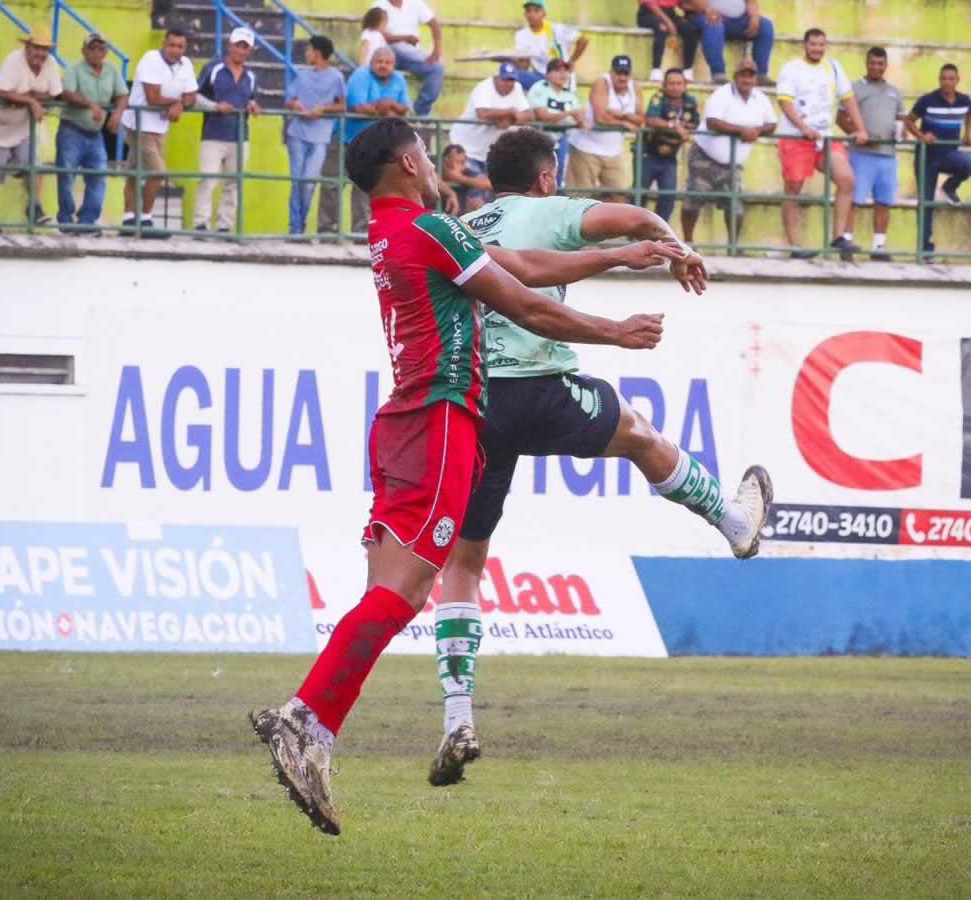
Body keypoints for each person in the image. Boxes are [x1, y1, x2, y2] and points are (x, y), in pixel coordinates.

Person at [248, 117, 682, 835]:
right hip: (444, 420)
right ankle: (303, 720)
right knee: (408, 589)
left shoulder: (392, 230)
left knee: (387, 593)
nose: (433, 159)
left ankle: (314, 728)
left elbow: (526, 268)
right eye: (422, 149)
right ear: (409, 163)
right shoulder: (434, 227)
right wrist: (616, 332)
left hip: (398, 420)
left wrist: (627, 253)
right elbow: (529, 303)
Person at [425, 127, 772, 787]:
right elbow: (637, 217)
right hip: (539, 390)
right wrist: (676, 250)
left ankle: (457, 718)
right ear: (547, 177)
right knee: (639, 434)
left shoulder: (466, 225)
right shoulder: (550, 212)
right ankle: (734, 523)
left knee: (463, 563)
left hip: (473, 405)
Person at [775, 28, 867, 259]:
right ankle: (795, 246)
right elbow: (785, 103)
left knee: (846, 180)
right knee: (793, 190)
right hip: (797, 138)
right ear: (805, 45)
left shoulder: (833, 67)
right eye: (813, 44)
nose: (817, 48)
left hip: (825, 137)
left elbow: (849, 99)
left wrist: (860, 128)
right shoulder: (791, 68)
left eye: (821, 44)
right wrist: (803, 128)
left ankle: (838, 237)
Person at [0, 24, 62, 232]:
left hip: (20, 123)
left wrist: (24, 98)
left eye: (45, 49)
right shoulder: (14, 59)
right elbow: (2, 91)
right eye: (36, 47)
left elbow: (55, 94)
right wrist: (31, 102)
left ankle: (35, 208)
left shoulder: (51, 64)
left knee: (33, 164)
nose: (40, 53)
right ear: (27, 47)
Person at [318, 45, 410, 236]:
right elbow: (358, 107)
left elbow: (404, 109)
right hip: (346, 140)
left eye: (388, 63)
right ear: (371, 62)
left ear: (394, 65)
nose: (383, 66)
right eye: (379, 62)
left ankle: (360, 233)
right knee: (332, 184)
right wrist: (385, 109)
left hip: (372, 147)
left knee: (364, 189)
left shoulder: (399, 79)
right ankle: (326, 230)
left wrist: (390, 105)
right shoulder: (360, 76)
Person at [684, 57, 775, 245]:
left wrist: (756, 131)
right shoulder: (722, 94)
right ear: (735, 77)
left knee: (735, 208)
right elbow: (712, 122)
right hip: (705, 157)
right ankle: (687, 242)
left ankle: (733, 246)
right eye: (743, 75)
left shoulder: (761, 99)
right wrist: (742, 130)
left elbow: (772, 124)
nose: (747, 80)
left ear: (756, 79)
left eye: (751, 76)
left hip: (733, 163)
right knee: (693, 200)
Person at [120, 29, 198, 236]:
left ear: (185, 48)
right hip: (139, 124)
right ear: (164, 44)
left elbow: (192, 96)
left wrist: (181, 103)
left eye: (180, 46)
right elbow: (152, 97)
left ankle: (128, 221)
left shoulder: (186, 65)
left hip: (161, 127)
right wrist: (176, 102)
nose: (175, 50)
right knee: (158, 173)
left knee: (133, 171)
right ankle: (145, 220)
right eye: (171, 45)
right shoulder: (151, 59)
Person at [56, 32, 128, 235]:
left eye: (102, 48)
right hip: (71, 129)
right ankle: (66, 220)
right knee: (66, 176)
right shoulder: (74, 69)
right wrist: (90, 104)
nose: (98, 52)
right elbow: (67, 93)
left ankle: (87, 221)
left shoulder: (112, 71)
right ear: (84, 51)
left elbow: (122, 95)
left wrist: (118, 113)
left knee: (98, 176)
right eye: (93, 48)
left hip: (95, 134)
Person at [193, 28, 261, 234]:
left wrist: (253, 105)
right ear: (229, 45)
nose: (241, 50)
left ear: (250, 51)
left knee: (233, 183)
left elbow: (251, 98)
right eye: (238, 45)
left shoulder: (251, 76)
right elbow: (193, 97)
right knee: (208, 179)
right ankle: (201, 224)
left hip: (240, 136)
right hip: (213, 133)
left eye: (245, 47)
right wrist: (215, 106)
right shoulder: (213, 69)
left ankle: (225, 226)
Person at [904, 63, 971, 257]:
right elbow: (909, 121)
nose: (947, 82)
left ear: (957, 80)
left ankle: (949, 187)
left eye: (951, 79)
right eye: (943, 78)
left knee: (969, 163)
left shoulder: (964, 101)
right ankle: (925, 250)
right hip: (926, 157)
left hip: (948, 154)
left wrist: (968, 134)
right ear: (939, 80)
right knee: (926, 204)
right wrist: (921, 136)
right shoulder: (927, 100)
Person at [844, 47, 905, 262]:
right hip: (861, 153)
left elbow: (901, 120)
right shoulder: (854, 88)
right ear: (866, 63)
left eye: (880, 64)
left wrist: (901, 132)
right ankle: (847, 242)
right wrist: (856, 133)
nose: (876, 67)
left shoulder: (894, 91)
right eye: (873, 63)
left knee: (884, 201)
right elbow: (841, 117)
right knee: (854, 200)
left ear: (886, 66)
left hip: (887, 154)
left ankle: (879, 246)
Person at [285, 36, 345, 238]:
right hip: (298, 134)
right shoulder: (301, 75)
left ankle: (300, 223)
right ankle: (295, 229)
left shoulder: (336, 77)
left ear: (317, 53)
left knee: (309, 183)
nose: (306, 53)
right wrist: (297, 106)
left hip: (320, 136)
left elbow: (342, 105)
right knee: (297, 181)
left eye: (309, 50)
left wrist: (323, 109)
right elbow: (289, 99)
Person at [448, 62, 533, 206]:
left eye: (511, 80)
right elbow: (482, 113)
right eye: (505, 79)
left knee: (487, 191)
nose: (508, 84)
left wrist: (509, 120)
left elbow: (529, 115)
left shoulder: (516, 89)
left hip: (488, 152)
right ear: (496, 78)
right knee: (478, 189)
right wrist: (511, 112)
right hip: (465, 148)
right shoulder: (484, 87)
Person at [568, 55, 643, 202]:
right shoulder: (601, 83)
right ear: (611, 73)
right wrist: (624, 123)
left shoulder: (635, 87)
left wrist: (621, 115)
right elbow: (600, 118)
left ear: (630, 74)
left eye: (625, 73)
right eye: (618, 73)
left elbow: (640, 119)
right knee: (581, 199)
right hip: (585, 149)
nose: (622, 77)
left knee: (619, 198)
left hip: (613, 152)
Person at [642, 68, 699, 224]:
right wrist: (674, 126)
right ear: (664, 85)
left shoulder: (690, 101)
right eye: (671, 83)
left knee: (668, 196)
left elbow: (695, 122)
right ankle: (633, 232)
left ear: (685, 85)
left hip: (669, 158)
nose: (675, 87)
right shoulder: (658, 98)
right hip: (648, 154)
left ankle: (659, 232)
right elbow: (651, 120)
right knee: (640, 194)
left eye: (679, 83)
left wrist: (685, 127)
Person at [371, 0, 444, 116]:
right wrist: (405, 38)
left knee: (437, 68)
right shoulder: (379, 4)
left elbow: (434, 23)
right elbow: (378, 33)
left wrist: (437, 50)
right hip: (388, 52)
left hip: (411, 54)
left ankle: (420, 111)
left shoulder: (416, 3)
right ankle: (380, 108)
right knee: (381, 62)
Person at [528, 58, 586, 185]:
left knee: (557, 176)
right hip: (539, 138)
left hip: (561, 138)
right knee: (537, 174)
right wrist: (569, 114)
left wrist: (581, 119)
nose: (563, 74)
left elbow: (582, 121)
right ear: (548, 74)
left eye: (566, 71)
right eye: (558, 70)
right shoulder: (540, 88)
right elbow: (543, 116)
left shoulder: (569, 94)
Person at [694, 0, 774, 86]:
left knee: (765, 26)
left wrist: (755, 17)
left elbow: (751, 2)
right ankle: (718, 74)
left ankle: (760, 75)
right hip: (707, 15)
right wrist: (707, 9)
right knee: (713, 24)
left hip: (740, 20)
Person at [515, 0, 589, 77]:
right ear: (525, 14)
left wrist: (572, 61)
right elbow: (524, 62)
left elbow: (583, 40)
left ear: (544, 14)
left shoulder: (556, 29)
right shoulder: (521, 35)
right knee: (517, 75)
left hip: (561, 74)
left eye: (536, 11)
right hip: (539, 76)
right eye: (528, 11)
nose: (532, 14)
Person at [638, 0, 702, 83]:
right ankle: (656, 70)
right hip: (649, 13)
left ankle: (687, 71)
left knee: (690, 30)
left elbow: (682, 4)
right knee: (662, 28)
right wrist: (668, 22)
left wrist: (704, 9)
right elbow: (650, 5)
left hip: (670, 13)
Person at [441, 143, 491, 212]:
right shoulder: (438, 171)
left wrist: (459, 178)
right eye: (457, 162)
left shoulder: (465, 171)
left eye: (462, 162)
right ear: (446, 161)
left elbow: (488, 184)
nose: (461, 167)